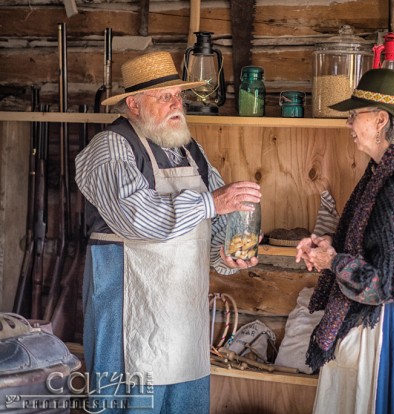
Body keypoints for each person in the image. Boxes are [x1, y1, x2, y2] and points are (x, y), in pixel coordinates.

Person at [75, 51, 261, 413]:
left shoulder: (190, 151)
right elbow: (139, 220)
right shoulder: (110, 147)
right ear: (134, 104)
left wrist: (227, 254)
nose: (178, 105)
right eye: (165, 97)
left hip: (184, 326)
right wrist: (211, 203)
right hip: (128, 321)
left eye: (178, 96)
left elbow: (214, 225)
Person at [295, 68, 394, 414]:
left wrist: (332, 261)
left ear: (379, 120)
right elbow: (371, 242)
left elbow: (388, 285)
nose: (348, 123)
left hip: (387, 331)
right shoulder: (382, 172)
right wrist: (327, 246)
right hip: (377, 324)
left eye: (354, 115)